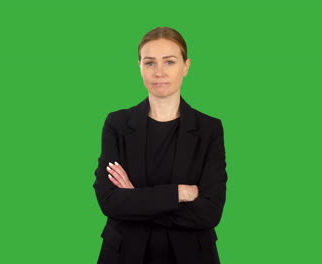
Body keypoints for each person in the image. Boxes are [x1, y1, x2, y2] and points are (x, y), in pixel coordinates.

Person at [93, 26, 227, 264]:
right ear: (140, 67)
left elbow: (210, 213)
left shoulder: (210, 129)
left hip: (191, 256)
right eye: (150, 63)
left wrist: (135, 199)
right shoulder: (117, 124)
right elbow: (109, 201)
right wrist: (179, 193)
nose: (159, 72)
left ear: (186, 66)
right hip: (125, 254)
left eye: (169, 62)